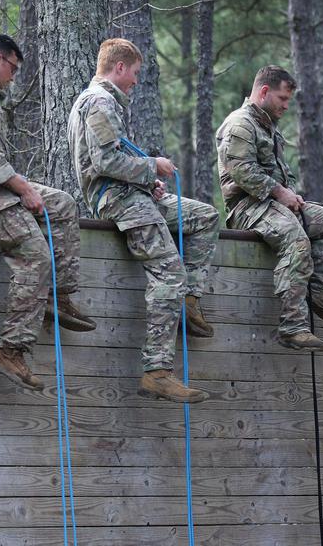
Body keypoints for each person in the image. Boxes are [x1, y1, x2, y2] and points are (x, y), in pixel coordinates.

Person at [0, 33, 96, 391]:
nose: (13, 76)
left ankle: (58, 295)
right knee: (35, 255)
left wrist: (23, 187)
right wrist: (22, 189)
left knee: (62, 204)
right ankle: (11, 349)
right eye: (12, 67)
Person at [67, 38, 219, 404]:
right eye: (134, 73)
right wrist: (154, 165)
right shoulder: (101, 102)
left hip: (130, 193)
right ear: (119, 68)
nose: (136, 81)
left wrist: (145, 180)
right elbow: (104, 163)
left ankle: (188, 303)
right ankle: (157, 371)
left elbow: (115, 161)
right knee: (169, 273)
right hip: (118, 201)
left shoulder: (103, 103)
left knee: (203, 217)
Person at [215, 65, 323, 351]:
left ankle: (318, 291)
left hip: (274, 205)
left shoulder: (269, 128)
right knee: (296, 238)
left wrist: (289, 196)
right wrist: (280, 193)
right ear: (264, 92)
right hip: (247, 207)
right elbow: (241, 170)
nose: (286, 106)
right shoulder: (240, 124)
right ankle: (292, 326)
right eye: (282, 99)